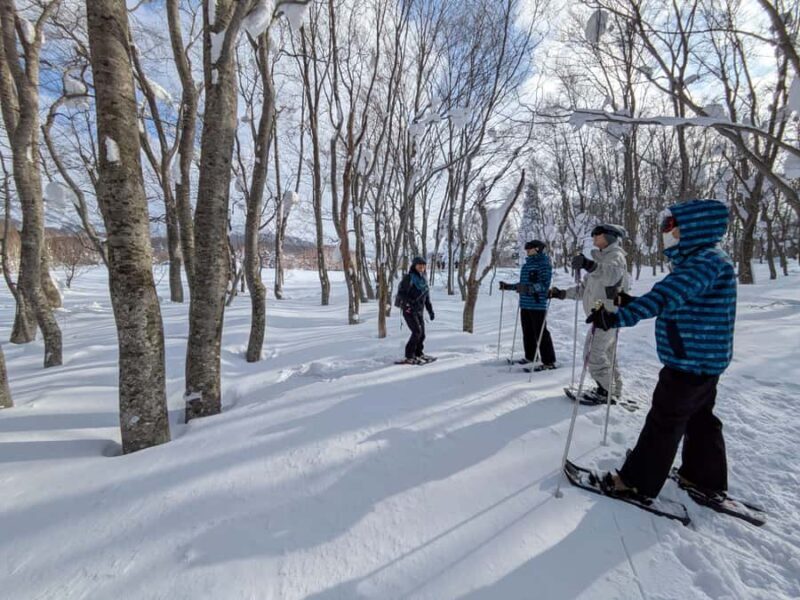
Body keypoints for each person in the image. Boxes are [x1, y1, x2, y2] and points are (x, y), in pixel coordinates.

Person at [586, 199, 736, 501]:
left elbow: (665, 296)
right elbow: (677, 299)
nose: (667, 233)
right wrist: (632, 303)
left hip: (689, 359)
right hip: (702, 358)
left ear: (693, 228)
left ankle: (635, 483)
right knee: (700, 418)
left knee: (664, 420)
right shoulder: (709, 259)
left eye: (671, 226)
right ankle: (702, 477)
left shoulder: (703, 262)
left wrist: (616, 317)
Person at [549, 224, 629, 402]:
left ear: (609, 236)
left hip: (608, 316)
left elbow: (611, 276)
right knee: (606, 354)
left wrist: (589, 264)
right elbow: (583, 290)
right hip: (599, 315)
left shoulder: (615, 257)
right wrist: (562, 294)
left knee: (593, 355)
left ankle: (606, 391)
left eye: (597, 234)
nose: (594, 237)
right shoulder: (601, 259)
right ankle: (613, 389)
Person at [499, 239, 556, 371]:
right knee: (527, 332)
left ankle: (549, 361)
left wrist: (529, 289)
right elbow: (523, 285)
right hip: (524, 304)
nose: (527, 251)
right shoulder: (526, 266)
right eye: (526, 249)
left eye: (529, 248)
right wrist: (508, 286)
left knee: (541, 333)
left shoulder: (544, 265)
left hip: (537, 305)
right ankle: (530, 356)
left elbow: (544, 285)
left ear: (537, 249)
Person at [396, 256, 435, 364]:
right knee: (417, 332)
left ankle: (418, 353)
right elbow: (401, 294)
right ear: (414, 265)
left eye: (423, 265)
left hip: (419, 311)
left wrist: (430, 311)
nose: (422, 267)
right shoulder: (409, 278)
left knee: (422, 334)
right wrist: (409, 302)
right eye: (419, 265)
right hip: (409, 310)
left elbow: (426, 298)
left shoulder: (423, 279)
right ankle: (409, 355)